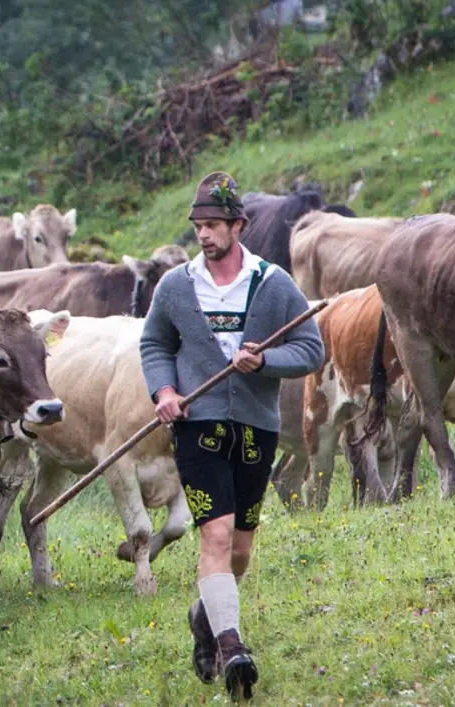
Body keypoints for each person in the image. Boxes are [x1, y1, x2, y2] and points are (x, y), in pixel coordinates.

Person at [138, 171, 324, 700]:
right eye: (199, 225)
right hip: (197, 429)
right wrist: (165, 392)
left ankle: (206, 614)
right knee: (214, 536)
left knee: (240, 548)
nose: (204, 234)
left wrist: (265, 360)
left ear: (239, 225)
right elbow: (154, 345)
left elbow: (311, 350)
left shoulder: (273, 284)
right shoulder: (176, 286)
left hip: (255, 429)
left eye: (215, 225)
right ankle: (232, 646)